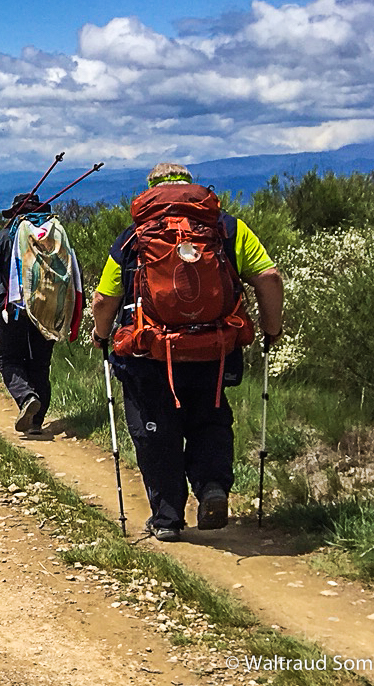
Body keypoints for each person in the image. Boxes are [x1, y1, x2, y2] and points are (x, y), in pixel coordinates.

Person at [90, 163, 285, 541]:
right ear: (191, 186)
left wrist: (100, 336)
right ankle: (212, 487)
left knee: (155, 431)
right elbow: (269, 278)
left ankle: (167, 519)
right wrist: (271, 329)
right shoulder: (226, 228)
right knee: (209, 419)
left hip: (151, 355)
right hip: (213, 348)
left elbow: (102, 300)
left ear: (150, 189)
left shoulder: (134, 236)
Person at [0, 192, 54, 435]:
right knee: (40, 363)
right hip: (48, 310)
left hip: (14, 310)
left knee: (7, 358)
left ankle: (26, 397)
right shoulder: (54, 237)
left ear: (16, 214)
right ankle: (37, 422)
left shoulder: (4, 237)